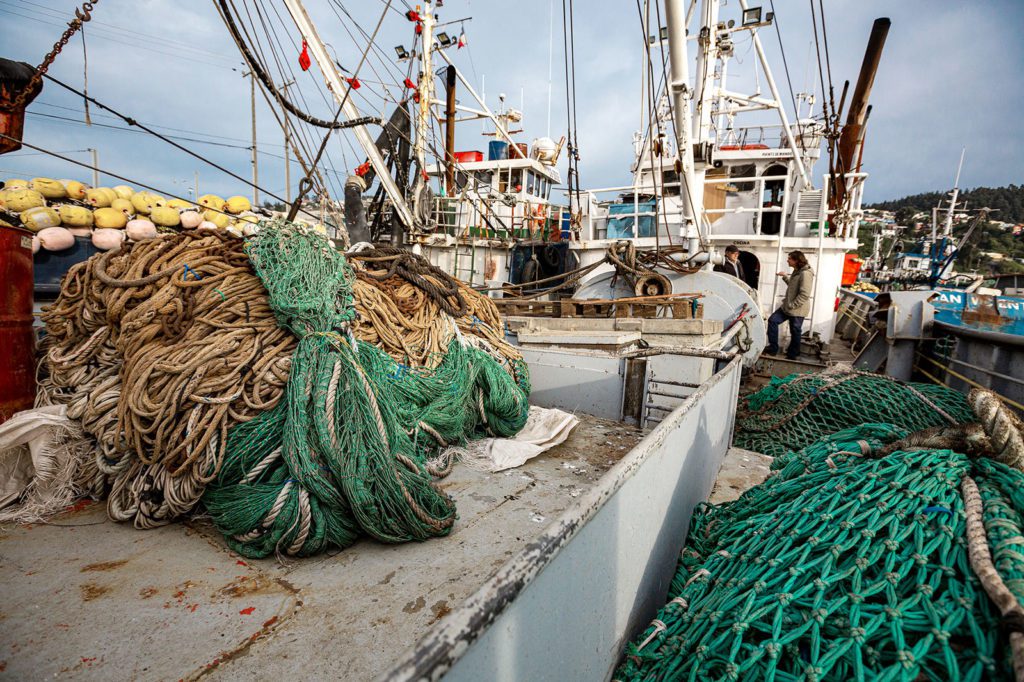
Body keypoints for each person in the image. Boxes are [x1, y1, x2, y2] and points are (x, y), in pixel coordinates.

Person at [765, 250, 813, 359]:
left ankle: (793, 354)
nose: (787, 260)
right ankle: (773, 349)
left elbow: (804, 294)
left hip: (797, 309)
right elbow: (792, 286)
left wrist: (792, 305)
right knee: (773, 320)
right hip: (788, 307)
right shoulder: (797, 270)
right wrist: (785, 277)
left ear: (796, 260)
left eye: (789, 258)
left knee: (795, 331)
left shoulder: (806, 273)